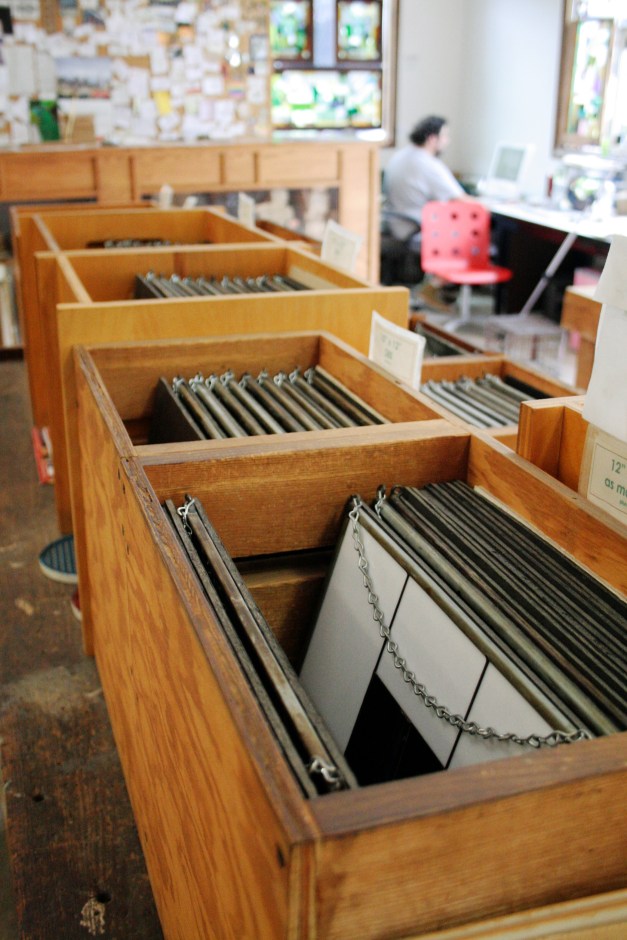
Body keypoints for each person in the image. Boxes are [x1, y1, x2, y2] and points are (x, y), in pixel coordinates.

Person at [383, 115, 472, 309]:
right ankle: (435, 286)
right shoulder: (427, 164)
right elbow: (459, 198)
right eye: (445, 136)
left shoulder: (402, 155)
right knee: (468, 237)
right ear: (433, 138)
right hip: (414, 227)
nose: (447, 142)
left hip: (396, 222)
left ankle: (438, 289)